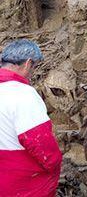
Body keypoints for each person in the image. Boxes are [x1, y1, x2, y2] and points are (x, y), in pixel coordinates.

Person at [0, 39, 62, 196]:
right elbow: (39, 142)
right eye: (34, 66)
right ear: (28, 63)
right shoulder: (23, 93)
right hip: (22, 182)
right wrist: (54, 163)